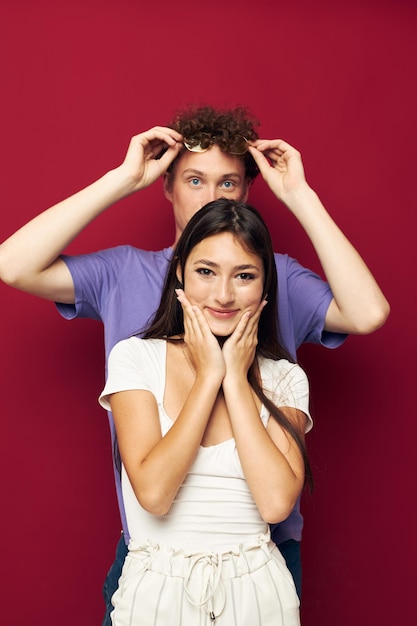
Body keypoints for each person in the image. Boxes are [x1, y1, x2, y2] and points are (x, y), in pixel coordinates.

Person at [0, 105, 389, 622]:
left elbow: (367, 313)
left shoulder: (272, 278)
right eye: (194, 180)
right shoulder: (126, 275)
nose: (211, 197)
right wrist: (122, 180)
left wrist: (299, 195)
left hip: (262, 552)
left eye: (228, 182)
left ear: (247, 193)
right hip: (156, 553)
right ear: (169, 186)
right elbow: (12, 264)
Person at [99, 198, 312, 625]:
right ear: (179, 270)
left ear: (266, 284)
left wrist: (235, 381)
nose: (224, 295)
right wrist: (208, 376)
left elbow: (274, 505)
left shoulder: (286, 378)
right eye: (205, 271)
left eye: (245, 276)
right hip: (155, 594)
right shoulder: (135, 358)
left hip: (259, 595)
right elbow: (155, 495)